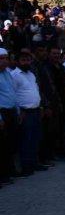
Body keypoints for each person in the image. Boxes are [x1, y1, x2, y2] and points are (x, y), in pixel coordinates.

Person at [12, 50, 45, 175]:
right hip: (24, 113)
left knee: (36, 138)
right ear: (17, 61)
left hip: (36, 110)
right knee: (25, 140)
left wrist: (40, 106)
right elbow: (14, 95)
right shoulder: (14, 75)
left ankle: (34, 162)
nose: (26, 62)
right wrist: (18, 111)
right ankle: (26, 166)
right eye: (23, 60)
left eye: (28, 60)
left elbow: (35, 91)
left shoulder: (31, 74)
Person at [0, 48, 20, 182]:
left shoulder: (8, 73)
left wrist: (18, 111)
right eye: (1, 58)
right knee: (2, 145)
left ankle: (10, 170)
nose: (4, 61)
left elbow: (14, 93)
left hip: (12, 111)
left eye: (6, 58)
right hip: (2, 113)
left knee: (11, 143)